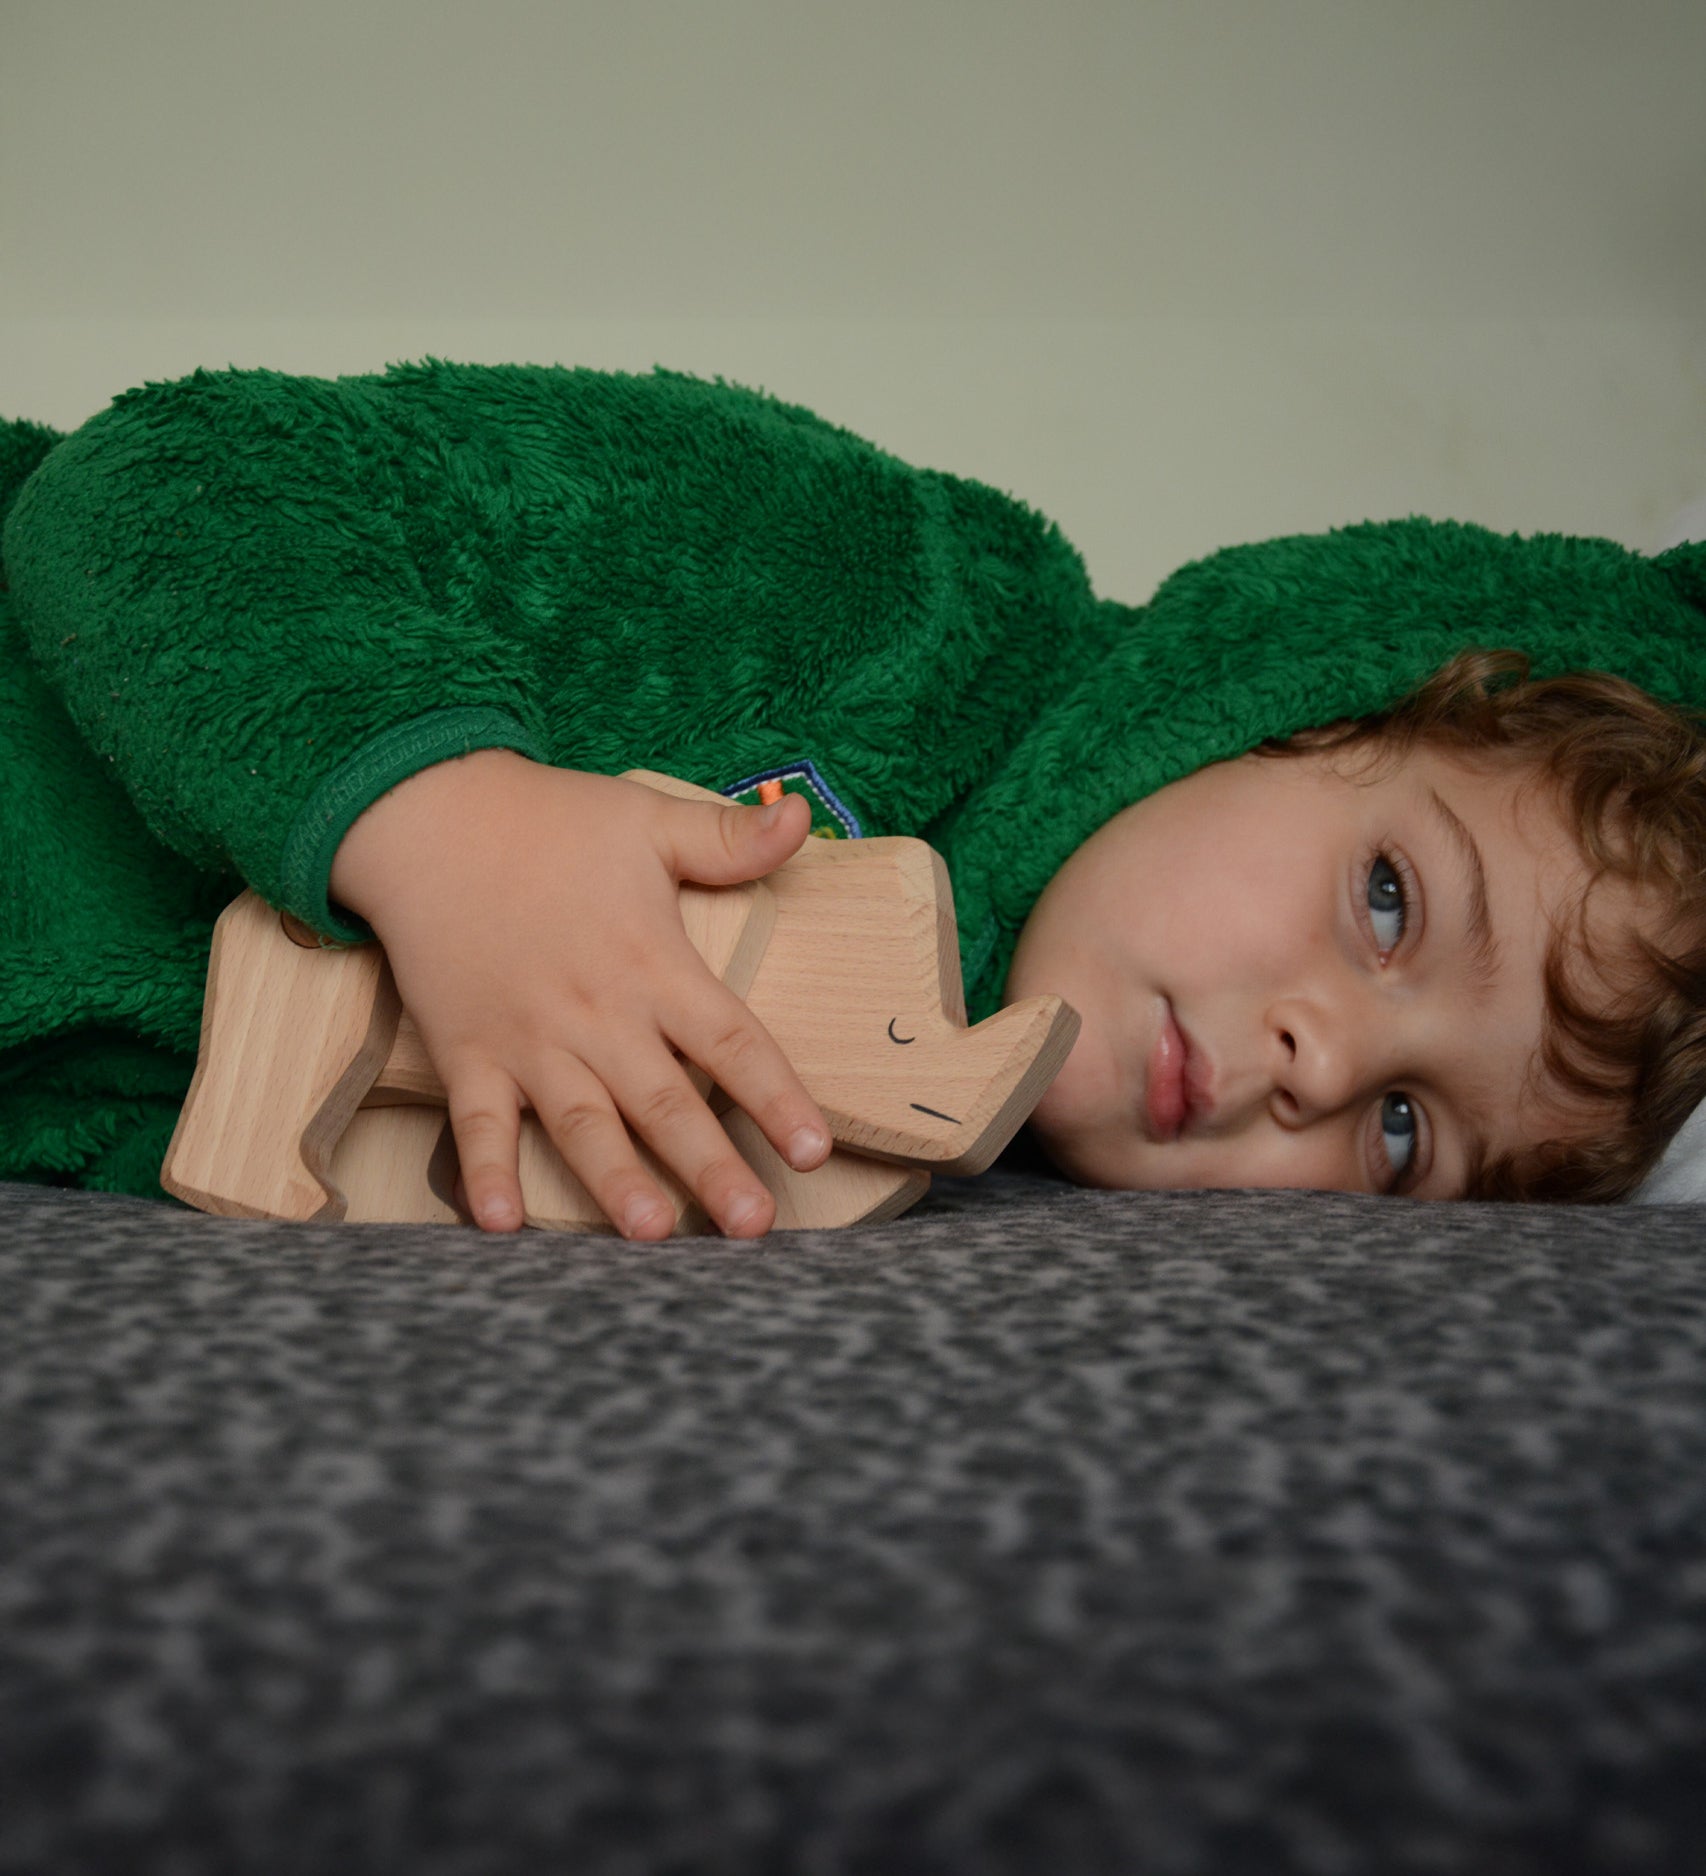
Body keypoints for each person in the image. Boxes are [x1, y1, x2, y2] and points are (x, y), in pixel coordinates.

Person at [3, 360, 1704, 1234]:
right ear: (1286, 705)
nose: (1320, 1062)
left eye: (1406, 1137)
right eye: (1390, 902)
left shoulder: (918, 1134)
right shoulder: (878, 586)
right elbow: (165, 476)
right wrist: (445, 816)